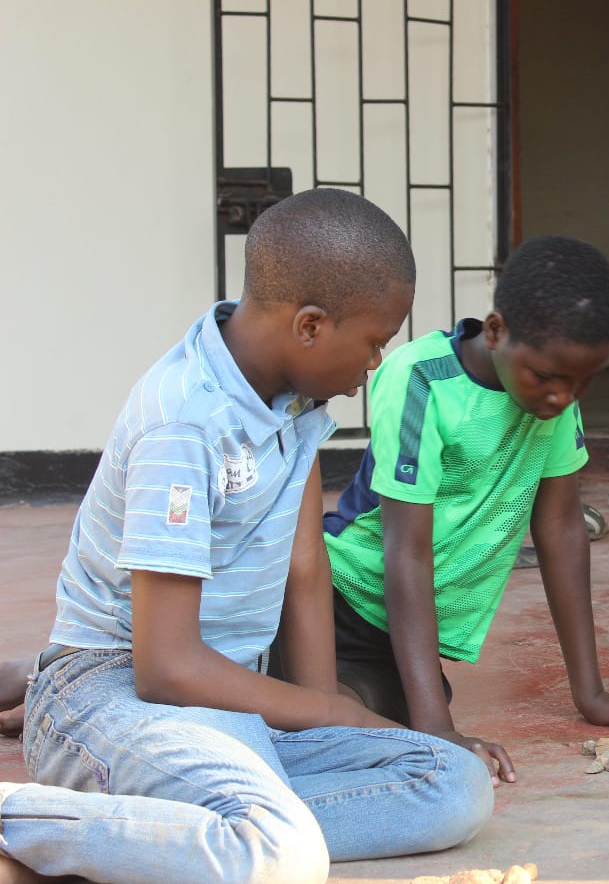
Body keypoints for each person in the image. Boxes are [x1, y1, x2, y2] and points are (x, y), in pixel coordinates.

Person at [0, 188, 493, 884]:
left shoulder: (296, 400)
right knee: (280, 853)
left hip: (227, 699)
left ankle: (162, 833)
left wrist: (329, 720)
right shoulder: (185, 421)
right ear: (312, 326)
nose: (375, 367)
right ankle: (29, 819)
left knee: (453, 782)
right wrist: (327, 706)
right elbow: (166, 665)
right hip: (122, 692)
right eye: (375, 342)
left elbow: (303, 565)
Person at [283, 234, 609, 786]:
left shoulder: (555, 400)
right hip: (338, 597)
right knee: (384, 719)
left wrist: (591, 693)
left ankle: (300, 703)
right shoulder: (420, 378)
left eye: (583, 382)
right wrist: (438, 727)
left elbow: (559, 528)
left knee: (394, 710)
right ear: (497, 330)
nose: (563, 397)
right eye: (548, 377)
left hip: (397, 631)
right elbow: (405, 552)